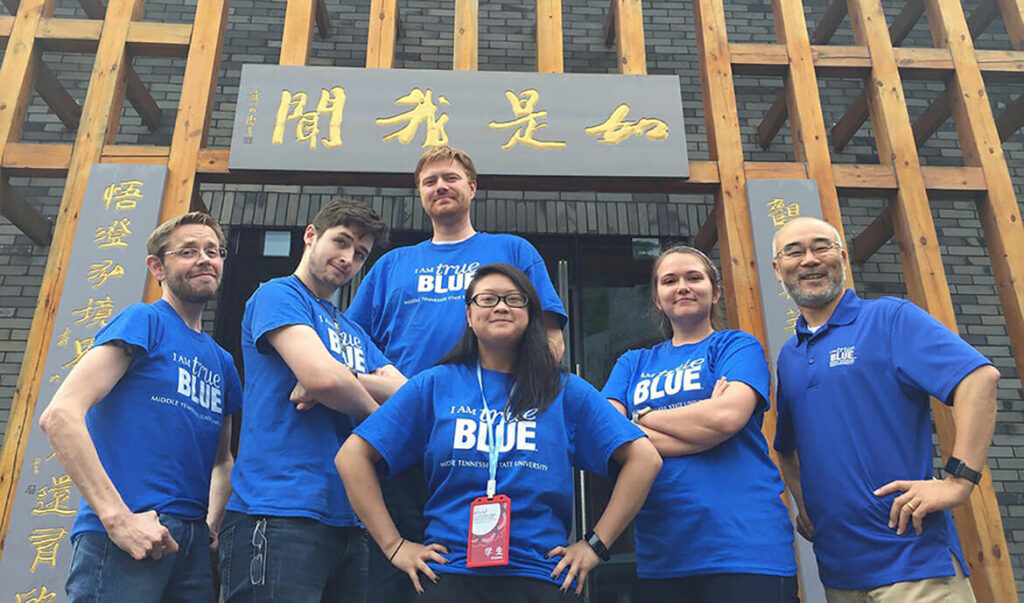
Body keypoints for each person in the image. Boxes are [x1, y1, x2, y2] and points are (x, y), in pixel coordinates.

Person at [337, 263, 661, 603]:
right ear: (468, 314)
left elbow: (644, 458)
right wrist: (394, 546)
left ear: (530, 313)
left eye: (513, 299)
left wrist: (596, 545)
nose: (501, 306)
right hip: (450, 576)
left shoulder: (564, 390)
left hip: (542, 577)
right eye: (487, 299)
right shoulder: (435, 385)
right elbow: (352, 456)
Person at [346, 146, 568, 601]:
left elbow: (551, 339)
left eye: (450, 178)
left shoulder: (511, 250)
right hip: (404, 435)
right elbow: (351, 342)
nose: (440, 187)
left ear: (472, 187)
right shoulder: (391, 265)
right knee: (401, 577)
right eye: (429, 182)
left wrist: (525, 398)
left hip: (486, 434)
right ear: (420, 195)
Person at [771, 216, 1000, 602]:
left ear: (842, 257)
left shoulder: (890, 318)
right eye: (794, 252)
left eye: (820, 247)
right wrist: (807, 504)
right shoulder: (790, 356)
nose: (809, 259)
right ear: (778, 271)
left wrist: (958, 482)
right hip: (840, 574)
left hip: (914, 568)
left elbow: (979, 379)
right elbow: (787, 448)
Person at [40, 212, 240, 602]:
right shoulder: (143, 321)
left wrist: (210, 525)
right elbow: (60, 415)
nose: (204, 259)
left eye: (213, 251)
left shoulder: (223, 362)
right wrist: (117, 519)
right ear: (157, 267)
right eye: (188, 251)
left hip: (191, 546)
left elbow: (222, 461)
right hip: (127, 535)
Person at [218, 199, 406, 602]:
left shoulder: (352, 330)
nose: (348, 259)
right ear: (310, 235)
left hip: (350, 518)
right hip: (277, 510)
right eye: (341, 242)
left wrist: (347, 380)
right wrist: (371, 412)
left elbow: (407, 395)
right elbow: (320, 378)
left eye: (360, 254)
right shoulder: (278, 295)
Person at [601, 245, 798, 602]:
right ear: (658, 299)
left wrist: (642, 418)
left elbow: (725, 418)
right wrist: (702, 421)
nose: (682, 287)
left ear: (716, 291)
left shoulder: (736, 346)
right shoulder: (632, 363)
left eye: (694, 277)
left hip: (745, 547)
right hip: (664, 552)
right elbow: (609, 436)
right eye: (669, 280)